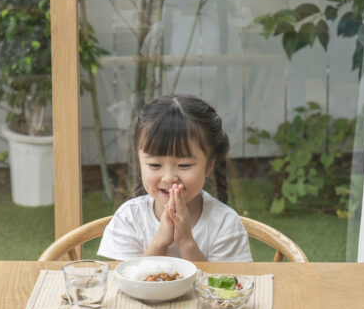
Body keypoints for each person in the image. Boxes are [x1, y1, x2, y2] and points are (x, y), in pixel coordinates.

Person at [98, 95, 252, 261]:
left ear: (208, 166)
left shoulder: (225, 223)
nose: (170, 178)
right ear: (139, 164)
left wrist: (186, 242)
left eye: (184, 165)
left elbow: (221, 285)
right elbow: (129, 283)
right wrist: (159, 242)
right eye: (155, 165)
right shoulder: (129, 219)